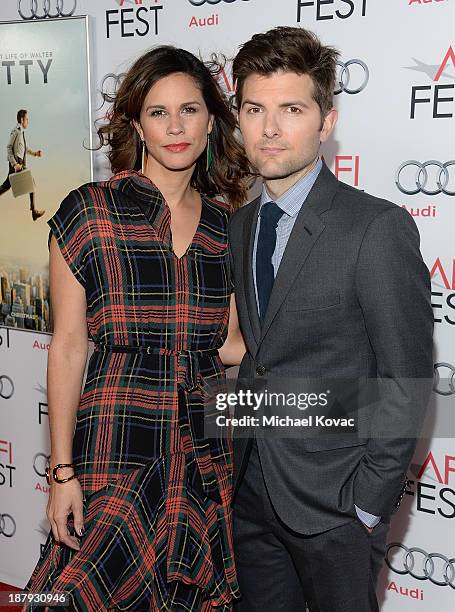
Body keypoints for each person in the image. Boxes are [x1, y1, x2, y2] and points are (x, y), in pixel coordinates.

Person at [24, 46, 248, 611]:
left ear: (211, 121)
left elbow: (229, 345)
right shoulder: (88, 213)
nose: (176, 127)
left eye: (190, 110)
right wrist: (61, 472)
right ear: (137, 125)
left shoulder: (228, 226)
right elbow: (69, 347)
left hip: (202, 449)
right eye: (157, 112)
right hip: (115, 442)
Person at [228, 26, 434, 612]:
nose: (269, 129)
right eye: (254, 109)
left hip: (337, 508)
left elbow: (408, 380)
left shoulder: (375, 228)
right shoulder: (242, 227)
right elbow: (264, 358)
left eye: (291, 109)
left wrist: (367, 503)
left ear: (326, 120)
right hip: (252, 491)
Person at [0, 109, 45, 220]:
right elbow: (9, 148)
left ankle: (33, 211)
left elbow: (24, 149)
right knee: (31, 184)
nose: (28, 122)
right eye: (27, 120)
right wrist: (15, 164)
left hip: (19, 164)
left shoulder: (20, 132)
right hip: (17, 165)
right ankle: (34, 212)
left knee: (6, 186)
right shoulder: (16, 131)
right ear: (22, 119)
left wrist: (35, 153)